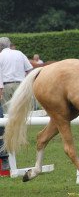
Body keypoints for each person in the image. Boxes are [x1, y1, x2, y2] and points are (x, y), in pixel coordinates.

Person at [0, 37, 33, 170]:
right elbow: (30, 69)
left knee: (5, 118)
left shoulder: (0, 56)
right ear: (10, 45)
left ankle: (8, 142)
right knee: (20, 116)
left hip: (5, 86)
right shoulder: (19, 53)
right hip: (21, 85)